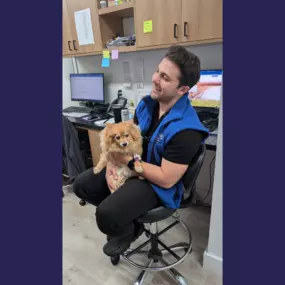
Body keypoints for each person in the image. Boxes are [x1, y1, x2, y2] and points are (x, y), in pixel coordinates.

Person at [73, 45, 209, 257]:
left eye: (165, 77)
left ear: (183, 89)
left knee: (107, 214)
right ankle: (126, 217)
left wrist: (126, 161)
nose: (155, 78)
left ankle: (129, 229)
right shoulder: (147, 105)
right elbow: (131, 131)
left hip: (158, 186)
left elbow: (166, 179)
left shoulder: (187, 130)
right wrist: (112, 159)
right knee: (82, 185)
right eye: (157, 71)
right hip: (135, 167)